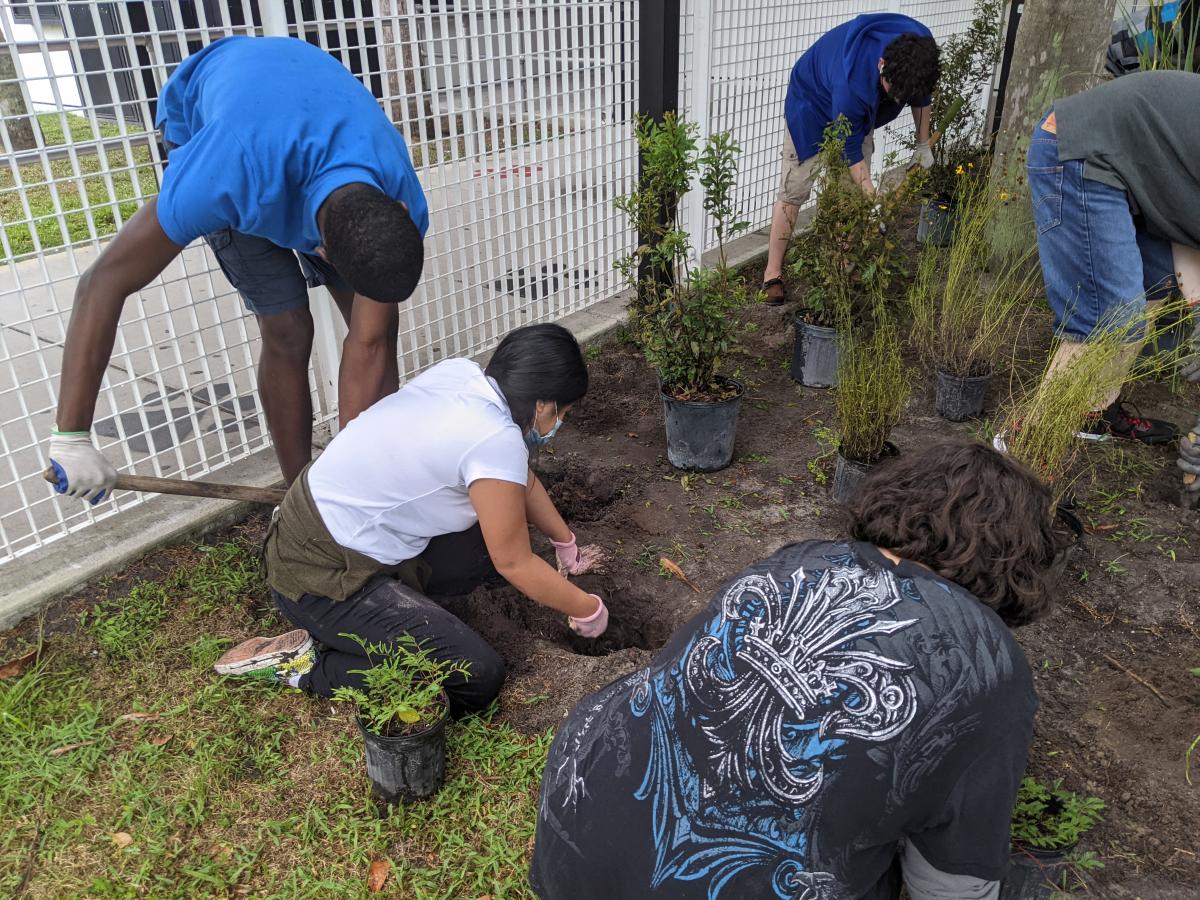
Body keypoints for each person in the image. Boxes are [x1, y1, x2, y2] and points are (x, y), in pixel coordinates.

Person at [531, 438, 1067, 900]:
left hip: (573, 835)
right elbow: (952, 880)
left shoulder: (802, 556)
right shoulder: (992, 667)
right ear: (1017, 561)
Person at [47, 36, 429, 502]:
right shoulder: (220, 175)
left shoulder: (399, 192)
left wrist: (358, 473)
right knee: (288, 326)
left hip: (297, 99)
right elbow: (102, 281)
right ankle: (297, 499)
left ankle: (358, 480)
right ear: (321, 252)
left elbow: (369, 343)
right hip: (218, 116)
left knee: (377, 330)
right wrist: (72, 435)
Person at [212, 324, 607, 715]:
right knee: (475, 676)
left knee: (485, 551)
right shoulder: (494, 438)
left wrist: (564, 542)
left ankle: (394, 618)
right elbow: (515, 561)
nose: (559, 424)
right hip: (321, 575)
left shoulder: (463, 375)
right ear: (543, 405)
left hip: (320, 531)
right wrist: (587, 608)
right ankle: (307, 666)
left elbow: (520, 481)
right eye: (563, 412)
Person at [1026, 70, 1200, 444]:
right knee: (1110, 317)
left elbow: (1188, 232)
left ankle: (1093, 411)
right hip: (1078, 151)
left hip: (1123, 168)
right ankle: (1028, 447)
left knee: (1154, 285)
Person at [762, 13, 940, 305]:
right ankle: (773, 273)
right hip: (812, 105)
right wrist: (874, 201)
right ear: (882, 65)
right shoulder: (852, 83)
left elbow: (921, 98)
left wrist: (923, 144)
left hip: (857, 111)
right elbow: (850, 150)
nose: (896, 101)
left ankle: (843, 270)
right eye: (892, 93)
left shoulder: (920, 51)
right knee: (795, 188)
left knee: (849, 196)